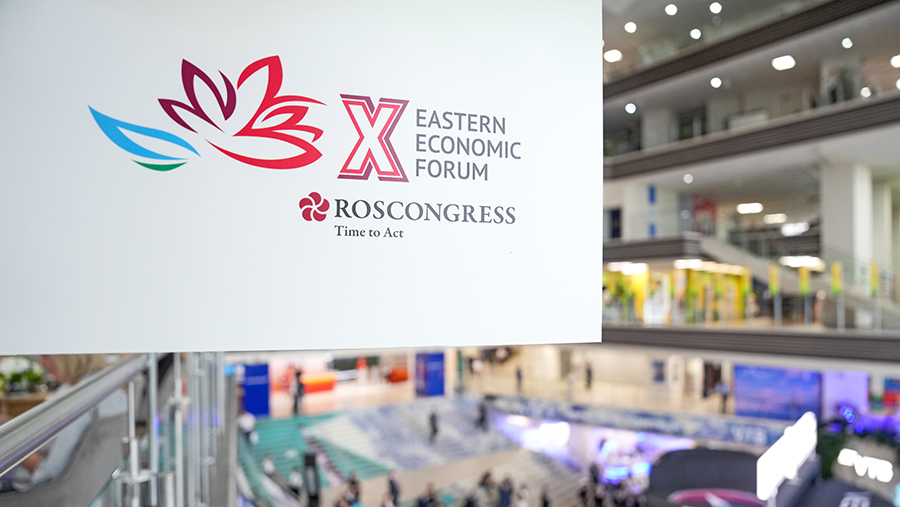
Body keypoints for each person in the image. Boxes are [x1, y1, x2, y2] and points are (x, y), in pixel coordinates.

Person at [11, 354, 126, 491]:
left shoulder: (77, 401)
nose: (41, 362)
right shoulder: (101, 386)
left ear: (68, 357)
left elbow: (49, 472)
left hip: (41, 492)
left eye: (47, 356)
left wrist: (12, 452)